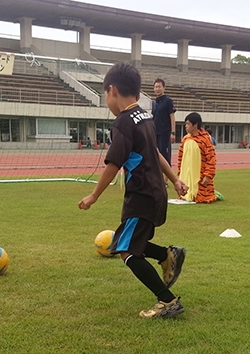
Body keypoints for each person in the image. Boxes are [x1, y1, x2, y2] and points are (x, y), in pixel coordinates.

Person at [78, 62, 189, 318]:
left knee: (126, 251)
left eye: (105, 94)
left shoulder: (124, 122)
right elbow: (157, 153)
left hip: (141, 195)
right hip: (154, 192)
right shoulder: (145, 116)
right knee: (129, 243)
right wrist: (174, 179)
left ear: (112, 90)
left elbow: (114, 164)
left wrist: (94, 195)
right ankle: (167, 254)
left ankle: (168, 300)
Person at [176, 112, 218, 204]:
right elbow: (180, 157)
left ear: (195, 125)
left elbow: (211, 158)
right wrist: (180, 171)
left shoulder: (205, 140)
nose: (185, 126)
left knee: (201, 196)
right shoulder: (185, 139)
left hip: (200, 176)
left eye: (188, 124)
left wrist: (208, 175)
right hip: (186, 175)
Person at [152, 78, 176, 165]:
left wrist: (173, 132)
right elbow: (154, 117)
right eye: (155, 87)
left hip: (164, 134)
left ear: (164, 88)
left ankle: (165, 179)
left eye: (159, 87)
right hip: (155, 133)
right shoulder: (154, 103)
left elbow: (172, 116)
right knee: (156, 156)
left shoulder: (168, 101)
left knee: (165, 158)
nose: (157, 89)